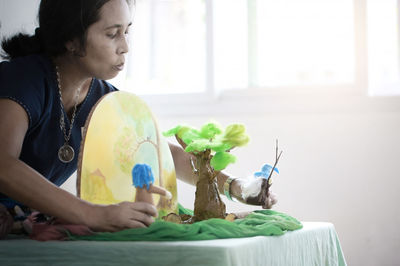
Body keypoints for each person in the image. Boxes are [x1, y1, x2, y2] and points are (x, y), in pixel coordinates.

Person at [0, 0, 276, 238]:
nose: (125, 47)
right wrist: (94, 214)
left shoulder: (101, 97)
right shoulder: (23, 80)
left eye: (127, 32)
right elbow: (4, 165)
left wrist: (235, 186)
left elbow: (159, 153)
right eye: (112, 34)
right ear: (71, 40)